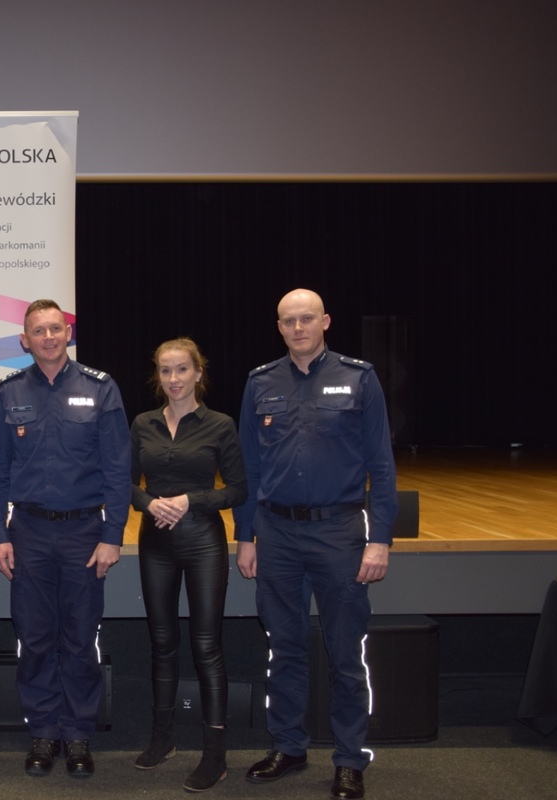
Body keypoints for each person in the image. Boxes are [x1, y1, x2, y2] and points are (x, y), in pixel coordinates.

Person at [233, 289, 397, 800]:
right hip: (277, 533)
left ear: (325, 321)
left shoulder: (359, 377)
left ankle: (349, 758)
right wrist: (245, 535)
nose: (298, 327)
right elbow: (248, 468)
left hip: (339, 533)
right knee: (284, 649)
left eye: (307, 318)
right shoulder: (260, 382)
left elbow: (382, 466)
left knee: (345, 653)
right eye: (289, 321)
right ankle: (289, 746)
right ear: (279, 327)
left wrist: (380, 540)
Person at [0, 299, 131, 779]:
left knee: (80, 636)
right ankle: (44, 732)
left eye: (55, 328)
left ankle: (78, 733)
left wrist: (113, 535)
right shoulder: (9, 392)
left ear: (68, 333)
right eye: (38, 330)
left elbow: (118, 468)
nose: (48, 337)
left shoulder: (100, 387)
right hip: (28, 531)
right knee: (34, 637)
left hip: (84, 532)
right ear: (24, 340)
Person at [131, 338, 247, 791]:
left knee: (206, 647)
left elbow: (237, 489)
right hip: (155, 543)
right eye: (165, 370)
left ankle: (215, 756)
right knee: (162, 643)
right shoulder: (143, 424)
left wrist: (189, 501)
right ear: (157, 376)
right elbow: (124, 482)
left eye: (182, 369)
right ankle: (162, 740)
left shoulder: (220, 425)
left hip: (202, 542)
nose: (174, 378)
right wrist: (148, 502)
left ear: (198, 373)